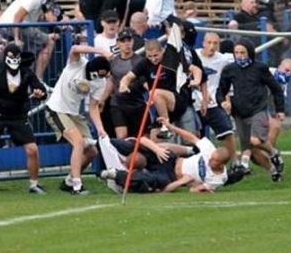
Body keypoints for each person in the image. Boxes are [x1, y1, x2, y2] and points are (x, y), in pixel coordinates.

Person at [0, 44, 48, 194]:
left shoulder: (26, 73)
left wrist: (40, 92)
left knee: (32, 150)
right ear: (5, 57)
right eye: (10, 57)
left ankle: (34, 184)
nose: (13, 61)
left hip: (18, 116)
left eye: (16, 57)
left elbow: (40, 89)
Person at [45, 44, 112, 195]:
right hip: (57, 109)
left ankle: (69, 181)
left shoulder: (100, 83)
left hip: (73, 113)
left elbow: (93, 108)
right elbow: (75, 48)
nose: (97, 78)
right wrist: (100, 50)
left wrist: (100, 129)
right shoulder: (77, 63)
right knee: (78, 142)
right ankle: (77, 185)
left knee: (92, 151)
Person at [99, 116, 230, 193]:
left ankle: (115, 174)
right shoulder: (209, 149)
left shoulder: (217, 179)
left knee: (151, 182)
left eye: (213, 161)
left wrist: (183, 181)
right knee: (140, 147)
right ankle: (105, 142)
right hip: (171, 160)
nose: (209, 161)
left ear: (221, 164)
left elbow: (192, 190)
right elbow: (191, 138)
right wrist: (170, 128)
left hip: (171, 177)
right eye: (211, 158)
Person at [216, 38, 285, 181]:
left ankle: (245, 164)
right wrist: (222, 101)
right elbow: (221, 90)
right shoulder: (230, 70)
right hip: (239, 112)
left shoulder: (260, 68)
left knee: (254, 140)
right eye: (237, 53)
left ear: (250, 53)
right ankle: (273, 163)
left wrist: (280, 109)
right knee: (248, 145)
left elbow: (276, 89)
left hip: (258, 109)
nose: (240, 56)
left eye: (243, 52)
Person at [119, 36, 201, 140]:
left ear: (162, 50)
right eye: (149, 56)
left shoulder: (171, 59)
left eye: (156, 55)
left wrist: (196, 81)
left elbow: (196, 69)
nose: (153, 59)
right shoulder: (144, 63)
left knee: (155, 93)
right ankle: (164, 129)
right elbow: (128, 77)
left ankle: (165, 127)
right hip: (160, 106)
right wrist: (123, 85)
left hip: (176, 99)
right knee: (155, 140)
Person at [0, 0, 63, 78]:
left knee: (30, 52)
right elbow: (18, 16)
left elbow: (51, 19)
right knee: (49, 42)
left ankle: (28, 80)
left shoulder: (45, 0)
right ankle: (38, 79)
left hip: (11, 25)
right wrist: (16, 38)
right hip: (14, 25)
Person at [196, 32, 238, 167]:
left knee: (227, 132)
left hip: (213, 104)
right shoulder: (193, 56)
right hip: (195, 103)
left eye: (215, 43)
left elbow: (246, 58)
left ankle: (236, 163)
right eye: (209, 43)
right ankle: (200, 166)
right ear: (203, 43)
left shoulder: (223, 59)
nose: (212, 46)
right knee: (198, 139)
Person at [104, 28, 146, 138]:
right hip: (118, 103)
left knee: (140, 138)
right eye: (123, 41)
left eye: (129, 40)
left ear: (133, 41)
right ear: (118, 43)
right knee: (121, 136)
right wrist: (102, 100)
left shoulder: (140, 61)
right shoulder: (113, 61)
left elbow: (145, 82)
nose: (127, 44)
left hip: (136, 103)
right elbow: (111, 81)